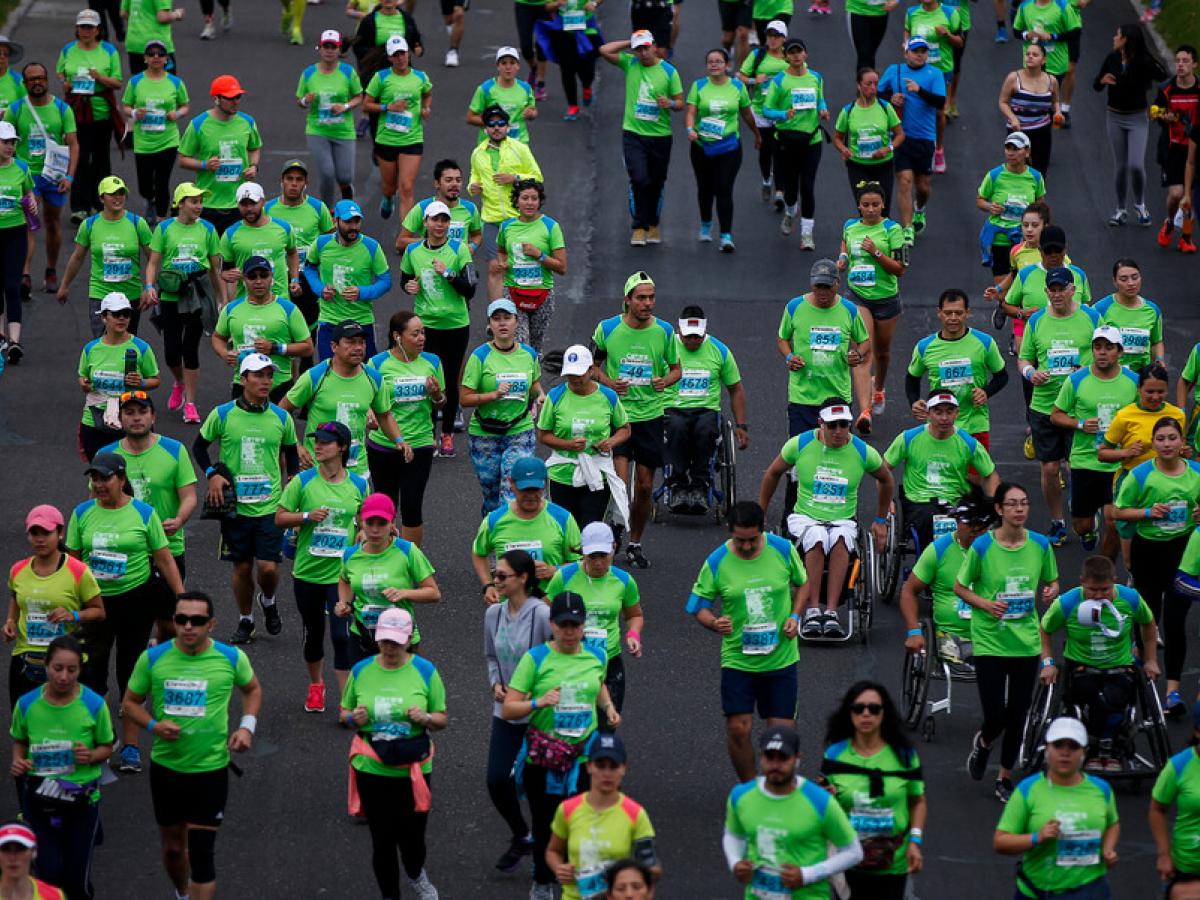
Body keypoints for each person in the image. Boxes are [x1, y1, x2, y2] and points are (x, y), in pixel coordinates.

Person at [122, 591, 261, 900]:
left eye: (197, 620)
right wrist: (153, 726)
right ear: (174, 621)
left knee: (201, 855)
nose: (188, 626)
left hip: (210, 769)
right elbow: (130, 703)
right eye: (182, 619)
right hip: (167, 769)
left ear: (211, 624)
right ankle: (183, 893)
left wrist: (246, 728)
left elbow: (252, 689)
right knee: (173, 850)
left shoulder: (231, 657)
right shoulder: (153, 658)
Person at [66, 450, 183, 773]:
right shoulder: (82, 513)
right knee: (92, 675)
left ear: (121, 479)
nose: (99, 485)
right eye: (94, 479)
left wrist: (182, 598)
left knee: (131, 673)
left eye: (105, 478)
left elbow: (164, 559)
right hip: (95, 606)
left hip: (135, 601)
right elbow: (72, 562)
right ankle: (103, 737)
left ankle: (131, 746)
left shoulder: (144, 513)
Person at [501, 591, 620, 900]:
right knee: (547, 827)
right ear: (552, 625)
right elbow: (509, 708)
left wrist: (608, 707)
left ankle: (582, 885)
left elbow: (599, 685)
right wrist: (538, 702)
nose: (569, 632)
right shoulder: (535, 659)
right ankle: (542, 884)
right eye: (562, 625)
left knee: (585, 824)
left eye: (575, 625)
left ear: (583, 626)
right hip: (544, 760)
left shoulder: (597, 655)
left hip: (584, 758)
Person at [687, 501, 806, 780]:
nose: (747, 546)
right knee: (738, 729)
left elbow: (803, 583)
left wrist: (795, 616)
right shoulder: (717, 560)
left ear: (762, 531)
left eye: (752, 539)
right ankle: (751, 788)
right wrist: (713, 622)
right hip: (738, 661)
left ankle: (778, 787)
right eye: (740, 540)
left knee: (781, 735)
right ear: (730, 532)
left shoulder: (782, 549)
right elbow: (698, 606)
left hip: (780, 659)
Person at [957, 481, 1060, 803]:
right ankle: (984, 742)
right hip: (990, 640)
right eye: (1013, 504)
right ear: (999, 509)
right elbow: (960, 587)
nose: (1019, 509)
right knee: (996, 716)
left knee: (1018, 714)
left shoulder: (1040, 545)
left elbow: (1052, 579)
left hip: (1025, 641)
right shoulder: (983, 547)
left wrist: (1051, 590)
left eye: (1024, 503)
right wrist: (986, 604)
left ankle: (1004, 776)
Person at [759, 400, 891, 638]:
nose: (839, 431)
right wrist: (761, 513)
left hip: (843, 518)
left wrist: (881, 520)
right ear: (821, 423)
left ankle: (830, 612)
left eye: (844, 425)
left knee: (840, 537)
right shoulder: (800, 444)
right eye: (832, 425)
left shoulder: (862, 451)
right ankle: (812, 610)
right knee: (817, 535)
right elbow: (772, 473)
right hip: (805, 518)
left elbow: (886, 479)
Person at [193, 353, 299, 644]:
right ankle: (246, 619)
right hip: (235, 509)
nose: (266, 381)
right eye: (258, 375)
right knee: (241, 567)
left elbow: (291, 451)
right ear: (243, 379)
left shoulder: (281, 417)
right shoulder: (223, 414)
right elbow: (199, 448)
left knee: (268, 567)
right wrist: (212, 474)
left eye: (269, 376)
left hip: (270, 506)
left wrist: (293, 479)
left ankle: (268, 600)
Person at [340, 607, 443, 900]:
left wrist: (426, 718)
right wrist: (352, 718)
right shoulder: (361, 670)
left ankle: (416, 872)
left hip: (413, 768)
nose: (390, 647)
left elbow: (442, 718)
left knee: (413, 840)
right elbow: (344, 712)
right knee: (382, 840)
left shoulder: (425, 671)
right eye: (385, 640)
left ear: (409, 639)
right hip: (372, 765)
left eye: (396, 641)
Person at [9, 635, 112, 900]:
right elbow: (19, 740)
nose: (64, 677)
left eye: (71, 670)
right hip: (39, 799)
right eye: (57, 668)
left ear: (79, 670)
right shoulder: (27, 704)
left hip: (81, 801)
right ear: (46, 665)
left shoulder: (94, 704)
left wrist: (91, 755)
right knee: (49, 874)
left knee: (76, 882)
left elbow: (106, 747)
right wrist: (18, 760)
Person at [277, 420, 367, 713]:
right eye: (316, 441)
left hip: (341, 576)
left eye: (326, 442)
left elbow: (365, 519)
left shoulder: (359, 484)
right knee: (313, 635)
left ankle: (345, 701)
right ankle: (316, 684)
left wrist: (364, 534)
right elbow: (279, 517)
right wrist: (306, 516)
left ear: (342, 447)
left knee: (341, 636)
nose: (317, 446)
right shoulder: (302, 482)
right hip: (307, 572)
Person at [593, 272, 681, 567]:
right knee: (619, 482)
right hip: (618, 417)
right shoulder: (607, 329)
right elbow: (592, 367)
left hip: (650, 416)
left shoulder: (664, 331)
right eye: (641, 298)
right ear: (627, 300)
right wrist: (609, 383)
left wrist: (664, 381)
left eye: (651, 298)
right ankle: (615, 528)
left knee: (644, 486)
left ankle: (635, 542)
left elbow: (677, 370)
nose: (647, 303)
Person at [1113, 416, 1200, 716]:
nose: (1166, 444)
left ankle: (1172, 691)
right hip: (1148, 552)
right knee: (1148, 617)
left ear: (1182, 442)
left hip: (1183, 554)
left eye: (1172, 438)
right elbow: (1118, 512)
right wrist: (1148, 512)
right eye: (1160, 439)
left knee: (1175, 622)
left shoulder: (1196, 472)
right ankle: (1142, 665)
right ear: (1153, 442)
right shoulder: (1140, 475)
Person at [1040, 555, 1159, 766]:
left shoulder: (1130, 598)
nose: (1098, 595)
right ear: (1082, 582)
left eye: (1105, 589)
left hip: (1119, 667)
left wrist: (1151, 660)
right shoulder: (1067, 603)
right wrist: (1048, 664)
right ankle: (1096, 744)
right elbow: (1044, 630)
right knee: (1091, 695)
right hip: (1081, 667)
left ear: (1114, 580)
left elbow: (1149, 624)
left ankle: (1108, 743)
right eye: (1092, 590)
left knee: (1115, 696)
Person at [100, 391, 197, 639]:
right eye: (129, 413)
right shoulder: (106, 456)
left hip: (167, 548)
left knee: (169, 624)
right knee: (127, 625)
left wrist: (179, 519)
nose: (136, 418)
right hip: (125, 549)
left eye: (142, 412)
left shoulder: (174, 450)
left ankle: (158, 655)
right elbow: (96, 503)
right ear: (120, 418)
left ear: (153, 417)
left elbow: (189, 496)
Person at [724, 725, 863, 897]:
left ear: (797, 758)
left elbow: (853, 852)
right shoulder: (740, 796)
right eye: (770, 757)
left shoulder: (820, 801)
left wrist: (806, 875)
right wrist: (735, 862)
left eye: (783, 757)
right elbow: (733, 835)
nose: (775, 764)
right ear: (761, 757)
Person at [1018, 266, 1103, 545]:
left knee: (1077, 467)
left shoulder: (1091, 317)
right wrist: (1031, 373)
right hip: (1044, 405)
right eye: (1051, 290)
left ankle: (1085, 516)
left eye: (1061, 290)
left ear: (1072, 290)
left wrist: (1089, 370)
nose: (1056, 295)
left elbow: (1107, 353)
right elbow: (1024, 358)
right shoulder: (1036, 321)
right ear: (1046, 292)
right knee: (1050, 468)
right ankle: (1058, 522)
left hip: (1079, 406)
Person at [821, 682, 925, 900]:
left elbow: (917, 801)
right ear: (849, 713)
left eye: (874, 709)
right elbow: (827, 807)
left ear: (884, 713)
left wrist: (915, 842)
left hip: (892, 864)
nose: (866, 714)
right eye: (859, 708)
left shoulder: (905, 757)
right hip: (848, 861)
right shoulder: (834, 756)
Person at [994, 717, 1119, 896]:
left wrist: (1108, 848)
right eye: (1058, 745)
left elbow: (1113, 823)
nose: (1065, 753)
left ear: (1084, 752)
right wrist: (1037, 837)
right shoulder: (1028, 790)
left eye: (1073, 746)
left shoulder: (1101, 789)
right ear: (1046, 749)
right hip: (1039, 891)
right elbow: (1000, 842)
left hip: (1090, 889)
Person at [483, 548, 550, 871]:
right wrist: (495, 682)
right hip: (506, 710)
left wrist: (538, 692)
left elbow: (555, 657)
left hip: (539, 714)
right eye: (494, 575)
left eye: (501, 576)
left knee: (540, 790)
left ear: (523, 578)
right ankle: (521, 834)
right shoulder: (493, 614)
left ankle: (546, 855)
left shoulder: (542, 615)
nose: (495, 581)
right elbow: (490, 656)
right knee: (496, 779)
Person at [1049, 327, 1139, 556]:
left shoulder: (1133, 381)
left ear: (1120, 351)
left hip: (1119, 463)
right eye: (1097, 347)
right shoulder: (1076, 380)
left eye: (1108, 347)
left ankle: (1105, 569)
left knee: (1113, 520)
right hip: (1085, 461)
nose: (1102, 352)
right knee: (1082, 525)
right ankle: (1088, 530)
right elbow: (1056, 415)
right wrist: (1079, 424)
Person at [6, 506, 104, 708]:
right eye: (34, 533)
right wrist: (10, 621)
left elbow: (99, 611)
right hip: (26, 657)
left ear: (60, 533)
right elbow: (15, 597)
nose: (40, 539)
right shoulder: (18, 570)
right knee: (24, 720)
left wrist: (73, 615)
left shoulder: (78, 571)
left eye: (46, 533)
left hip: (66, 659)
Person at [282, 319, 402, 480]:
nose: (358, 347)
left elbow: (384, 416)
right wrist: (296, 446)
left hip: (357, 471)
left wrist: (399, 440)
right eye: (351, 342)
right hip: (317, 471)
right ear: (334, 347)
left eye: (361, 342)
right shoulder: (315, 376)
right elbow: (282, 412)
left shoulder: (374, 378)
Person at [398, 202, 473, 459]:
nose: (440, 225)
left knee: (450, 380)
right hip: (425, 326)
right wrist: (408, 287)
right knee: (427, 379)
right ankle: (429, 433)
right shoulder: (413, 251)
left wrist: (449, 274)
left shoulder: (459, 249)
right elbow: (405, 279)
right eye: (435, 220)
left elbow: (470, 288)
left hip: (455, 324)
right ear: (426, 222)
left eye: (444, 220)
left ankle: (447, 433)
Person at [546, 522, 644, 717]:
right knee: (573, 723)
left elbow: (634, 615)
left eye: (603, 555)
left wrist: (633, 635)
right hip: (570, 660)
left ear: (613, 548)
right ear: (583, 552)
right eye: (592, 556)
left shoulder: (624, 580)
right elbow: (545, 614)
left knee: (608, 722)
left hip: (609, 660)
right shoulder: (563, 577)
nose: (598, 563)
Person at [547, 732, 660, 899]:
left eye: (613, 766)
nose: (607, 773)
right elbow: (553, 851)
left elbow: (650, 867)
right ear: (589, 766)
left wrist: (634, 882)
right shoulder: (568, 809)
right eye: (600, 766)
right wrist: (559, 868)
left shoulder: (635, 814)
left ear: (623, 768)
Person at [366, 310, 445, 543]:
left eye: (423, 333)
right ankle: (384, 556)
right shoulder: (377, 363)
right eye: (415, 334)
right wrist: (369, 414)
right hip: (384, 445)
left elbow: (442, 402)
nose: (422, 338)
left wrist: (436, 394)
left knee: (412, 505)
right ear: (397, 336)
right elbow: (368, 400)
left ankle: (411, 560)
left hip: (420, 443)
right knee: (385, 506)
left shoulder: (432, 361)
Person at [145, 182, 222, 423]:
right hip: (171, 295)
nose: (199, 206)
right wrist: (149, 287)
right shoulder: (165, 228)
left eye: (200, 201)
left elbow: (215, 269)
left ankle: (190, 403)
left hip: (197, 295)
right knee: (171, 352)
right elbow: (153, 263)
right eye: (194, 201)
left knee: (190, 349)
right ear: (180, 204)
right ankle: (179, 382)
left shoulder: (208, 229)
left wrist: (222, 301)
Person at [598, 32, 683, 247]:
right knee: (639, 178)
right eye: (638, 49)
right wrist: (630, 41)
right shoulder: (630, 63)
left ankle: (653, 224)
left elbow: (680, 103)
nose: (643, 53)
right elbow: (604, 50)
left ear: (654, 46)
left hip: (660, 135)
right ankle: (638, 226)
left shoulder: (669, 71)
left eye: (646, 47)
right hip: (633, 134)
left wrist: (670, 104)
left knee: (656, 182)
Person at [461, 298, 544, 515]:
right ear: (490, 325)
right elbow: (465, 399)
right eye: (496, 319)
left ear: (517, 322)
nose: (502, 323)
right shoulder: (480, 356)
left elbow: (534, 384)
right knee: (491, 498)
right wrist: (493, 395)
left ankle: (508, 536)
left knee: (510, 494)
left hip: (520, 430)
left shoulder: (529, 354)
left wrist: (541, 395)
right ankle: (491, 531)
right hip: (485, 433)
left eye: (507, 318)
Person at [335, 492, 439, 661]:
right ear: (361, 522)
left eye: (382, 523)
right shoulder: (350, 555)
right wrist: (345, 602)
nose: (375, 530)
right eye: (370, 523)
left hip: (400, 638)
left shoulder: (407, 551)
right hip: (363, 635)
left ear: (392, 523)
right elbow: (344, 579)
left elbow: (433, 593)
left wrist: (404, 593)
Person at [5, 61, 77, 302]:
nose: (37, 82)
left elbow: (73, 143)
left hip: (54, 175)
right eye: (32, 79)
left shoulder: (62, 109)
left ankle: (51, 270)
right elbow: (4, 140)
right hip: (28, 176)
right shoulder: (16, 109)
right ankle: (25, 275)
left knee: (53, 223)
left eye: (40, 78)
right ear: (25, 83)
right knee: (29, 223)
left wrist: (70, 176)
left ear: (47, 80)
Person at [663, 307, 747, 512]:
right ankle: (678, 485)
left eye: (697, 337)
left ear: (705, 331)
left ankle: (700, 485)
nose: (692, 341)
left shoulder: (720, 350)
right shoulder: (665, 348)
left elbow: (735, 389)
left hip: (706, 410)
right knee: (676, 428)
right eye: (688, 337)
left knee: (706, 430)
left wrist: (741, 425)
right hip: (673, 409)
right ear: (679, 331)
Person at [537, 343, 630, 528]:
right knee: (565, 532)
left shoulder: (608, 396)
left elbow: (625, 429)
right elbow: (543, 435)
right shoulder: (555, 396)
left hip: (597, 474)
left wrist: (610, 442)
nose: (575, 379)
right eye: (571, 374)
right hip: (562, 474)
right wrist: (567, 445)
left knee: (592, 532)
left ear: (591, 371)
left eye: (579, 374)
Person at [899, 486, 996, 665]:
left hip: (993, 633)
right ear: (957, 521)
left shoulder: (999, 549)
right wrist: (914, 631)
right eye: (970, 526)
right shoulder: (938, 550)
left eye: (981, 527)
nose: (975, 532)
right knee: (964, 664)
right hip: (951, 636)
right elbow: (909, 590)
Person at [776, 258, 871, 439]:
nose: (822, 292)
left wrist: (858, 354)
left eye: (827, 287)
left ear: (838, 283)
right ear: (811, 283)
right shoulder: (794, 307)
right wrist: (789, 357)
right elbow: (782, 338)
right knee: (801, 451)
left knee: (838, 450)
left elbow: (864, 341)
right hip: (803, 397)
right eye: (818, 286)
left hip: (837, 395)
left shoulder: (849, 310)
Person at [838, 181, 906, 434]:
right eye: (865, 205)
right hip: (858, 296)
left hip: (886, 298)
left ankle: (879, 388)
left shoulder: (893, 229)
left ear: (883, 205)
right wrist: (843, 258)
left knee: (882, 352)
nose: (870, 209)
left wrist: (876, 252)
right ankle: (864, 412)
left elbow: (899, 269)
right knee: (863, 352)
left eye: (875, 204)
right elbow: (845, 242)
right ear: (859, 205)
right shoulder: (850, 226)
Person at [1100, 363, 1185, 562]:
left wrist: (1183, 451)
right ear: (1139, 389)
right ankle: (1128, 568)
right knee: (1123, 526)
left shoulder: (1177, 415)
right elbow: (1102, 453)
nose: (1155, 397)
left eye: (1160, 392)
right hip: (1133, 480)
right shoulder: (1125, 416)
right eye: (1149, 392)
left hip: (1167, 480)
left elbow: (1180, 448)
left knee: (1165, 526)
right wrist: (1126, 452)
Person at [906, 289, 1008, 449]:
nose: (953, 318)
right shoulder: (925, 347)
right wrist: (914, 401)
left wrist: (986, 392)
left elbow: (1002, 376)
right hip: (938, 427)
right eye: (948, 313)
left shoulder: (984, 342)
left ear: (968, 313)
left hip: (975, 425)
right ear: (939, 313)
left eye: (958, 313)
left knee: (978, 467)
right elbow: (912, 377)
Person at [472, 456, 582, 603]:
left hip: (551, 607)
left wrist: (555, 570)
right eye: (524, 489)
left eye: (535, 489)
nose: (530, 496)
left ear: (544, 485)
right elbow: (478, 553)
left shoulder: (563, 518)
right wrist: (488, 585)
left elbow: (580, 564)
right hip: (509, 608)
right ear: (511, 484)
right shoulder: (494, 520)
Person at [57, 175, 154, 339]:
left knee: (126, 345)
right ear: (102, 198)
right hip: (100, 295)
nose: (118, 198)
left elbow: (154, 258)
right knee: (103, 343)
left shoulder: (137, 223)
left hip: (130, 295)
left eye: (121, 193)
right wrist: (64, 285)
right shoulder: (89, 225)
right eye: (112, 194)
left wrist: (149, 287)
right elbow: (77, 257)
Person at [211, 254, 312, 403]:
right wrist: (225, 353)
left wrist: (275, 348)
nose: (258, 281)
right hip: (243, 384)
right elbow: (218, 337)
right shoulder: (231, 309)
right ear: (244, 280)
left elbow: (308, 348)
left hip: (279, 385)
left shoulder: (288, 309)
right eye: (252, 277)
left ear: (271, 277)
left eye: (264, 275)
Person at [1094, 23, 1167, 227]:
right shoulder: (1112, 58)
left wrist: (1160, 105)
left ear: (1126, 39)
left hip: (1137, 118)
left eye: (1117, 35)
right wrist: (1102, 80)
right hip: (1114, 117)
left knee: (1136, 164)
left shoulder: (1143, 61)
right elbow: (1096, 85)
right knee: (1121, 165)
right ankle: (1120, 210)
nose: (1114, 38)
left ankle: (1140, 204)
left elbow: (1165, 80)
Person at [685, 48, 757, 251]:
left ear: (727, 65)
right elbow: (691, 112)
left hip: (729, 147)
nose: (714, 64)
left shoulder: (737, 86)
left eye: (718, 61)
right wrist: (690, 129)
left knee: (724, 188)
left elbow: (747, 113)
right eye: (710, 61)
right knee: (705, 188)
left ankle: (726, 236)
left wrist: (757, 135)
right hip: (702, 146)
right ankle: (706, 223)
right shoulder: (698, 86)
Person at [304, 199, 393, 362]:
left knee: (365, 371)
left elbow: (386, 281)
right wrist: (320, 289)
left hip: (361, 321)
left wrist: (362, 292)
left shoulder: (371, 247)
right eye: (348, 222)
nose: (353, 227)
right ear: (336, 221)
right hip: (330, 321)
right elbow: (309, 268)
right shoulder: (321, 244)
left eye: (357, 221)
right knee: (329, 371)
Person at [76, 293, 160, 461]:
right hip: (94, 418)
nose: (122, 318)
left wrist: (141, 383)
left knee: (134, 470)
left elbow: (155, 380)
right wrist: (84, 384)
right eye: (116, 314)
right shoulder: (91, 349)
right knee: (99, 470)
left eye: (126, 314)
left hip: (130, 418)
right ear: (104, 317)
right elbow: (82, 376)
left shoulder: (141, 347)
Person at [760, 37, 826, 250]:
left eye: (799, 51)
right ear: (786, 57)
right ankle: (790, 212)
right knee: (790, 188)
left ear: (805, 54)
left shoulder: (816, 77)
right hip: (785, 142)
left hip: (811, 140)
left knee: (807, 186)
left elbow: (820, 99)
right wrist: (783, 114)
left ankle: (807, 233)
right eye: (792, 52)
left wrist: (823, 109)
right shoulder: (779, 81)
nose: (796, 56)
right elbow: (767, 110)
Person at [56, 9, 122, 223]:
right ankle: (79, 207)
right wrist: (65, 83)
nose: (85, 31)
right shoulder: (68, 49)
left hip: (101, 112)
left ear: (98, 30)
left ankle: (100, 203)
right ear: (77, 28)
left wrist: (99, 77)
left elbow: (117, 82)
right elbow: (60, 72)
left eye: (90, 27)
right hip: (76, 112)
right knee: (80, 158)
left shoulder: (109, 50)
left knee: (101, 160)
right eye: (82, 27)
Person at [880, 37, 945, 249]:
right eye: (915, 51)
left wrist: (920, 91)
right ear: (906, 53)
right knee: (905, 181)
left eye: (923, 51)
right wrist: (891, 98)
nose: (920, 54)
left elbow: (940, 102)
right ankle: (907, 228)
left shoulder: (934, 74)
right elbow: (877, 93)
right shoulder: (894, 70)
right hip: (901, 136)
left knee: (923, 186)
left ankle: (920, 209)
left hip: (925, 138)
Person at [176, 74, 262, 235]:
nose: (235, 102)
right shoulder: (199, 124)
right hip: (208, 204)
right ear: (216, 99)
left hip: (239, 203)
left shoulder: (247, 122)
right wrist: (205, 165)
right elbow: (182, 159)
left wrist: (253, 166)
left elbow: (254, 147)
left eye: (238, 97)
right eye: (230, 98)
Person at [264, 159, 335, 341]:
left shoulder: (318, 208)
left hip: (309, 277)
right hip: (278, 278)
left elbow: (331, 243)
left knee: (308, 329)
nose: (294, 184)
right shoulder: (268, 209)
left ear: (306, 183)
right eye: (289, 178)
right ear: (281, 181)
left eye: (299, 179)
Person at [363, 36, 431, 223]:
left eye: (402, 53)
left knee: (407, 187)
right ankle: (387, 198)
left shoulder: (420, 77)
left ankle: (406, 233)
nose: (400, 58)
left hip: (412, 139)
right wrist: (388, 107)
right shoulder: (381, 77)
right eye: (395, 55)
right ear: (389, 58)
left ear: (408, 54)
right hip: (386, 140)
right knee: (389, 187)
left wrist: (426, 108)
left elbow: (427, 94)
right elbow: (366, 105)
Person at [467, 105, 543, 269]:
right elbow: (475, 175)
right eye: (491, 124)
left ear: (507, 127)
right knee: (495, 267)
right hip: (491, 219)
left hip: (517, 217)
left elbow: (537, 177)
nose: (496, 128)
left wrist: (515, 178)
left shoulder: (520, 149)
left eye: (501, 123)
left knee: (518, 265)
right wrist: (472, 187)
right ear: (485, 129)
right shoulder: (478, 153)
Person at [122, 41, 188, 226]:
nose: (156, 57)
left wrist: (177, 114)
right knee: (144, 183)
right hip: (143, 141)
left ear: (166, 59)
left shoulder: (175, 82)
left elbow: (185, 106)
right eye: (151, 53)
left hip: (168, 140)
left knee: (162, 180)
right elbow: (126, 106)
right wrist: (135, 113)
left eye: (160, 54)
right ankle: (149, 199)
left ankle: (160, 217)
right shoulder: (136, 82)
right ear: (145, 58)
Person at [496, 178, 566, 352]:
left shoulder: (550, 226)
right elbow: (502, 250)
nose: (529, 203)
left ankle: (535, 370)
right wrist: (503, 263)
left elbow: (562, 267)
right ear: (516, 200)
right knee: (521, 345)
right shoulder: (507, 226)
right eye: (525, 198)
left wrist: (539, 255)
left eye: (534, 198)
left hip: (542, 294)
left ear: (540, 201)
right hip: (513, 292)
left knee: (535, 347)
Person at [296, 30, 363, 209]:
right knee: (327, 173)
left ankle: (346, 190)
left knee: (345, 176)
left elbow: (359, 96)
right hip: (318, 130)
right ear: (319, 48)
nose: (329, 51)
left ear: (339, 50)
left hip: (343, 131)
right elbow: (299, 101)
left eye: (333, 47)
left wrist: (345, 106)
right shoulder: (309, 73)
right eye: (326, 46)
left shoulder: (347, 72)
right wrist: (305, 100)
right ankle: (328, 211)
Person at [976, 131, 1046, 283]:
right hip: (1000, 239)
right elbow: (980, 200)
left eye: (1016, 149)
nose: (1011, 153)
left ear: (1027, 152)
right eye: (1008, 148)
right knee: (1001, 283)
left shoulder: (1035, 177)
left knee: (1024, 280)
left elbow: (1041, 205)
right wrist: (990, 206)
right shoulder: (994, 175)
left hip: (1025, 238)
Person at [903, 0, 962, 176]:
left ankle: (938, 150)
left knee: (939, 112)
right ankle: (914, 146)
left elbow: (959, 42)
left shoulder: (950, 13)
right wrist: (906, 43)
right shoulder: (912, 12)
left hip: (941, 69)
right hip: (916, 68)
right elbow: (907, 31)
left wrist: (947, 35)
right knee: (916, 106)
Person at [218, 182, 300, 307]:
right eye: (244, 204)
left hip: (279, 301)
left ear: (262, 201)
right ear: (237, 205)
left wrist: (294, 279)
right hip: (247, 304)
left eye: (253, 203)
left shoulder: (283, 228)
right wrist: (226, 275)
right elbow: (223, 270)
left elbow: (292, 253)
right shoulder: (230, 234)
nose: (249, 209)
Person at [833, 70, 904, 216]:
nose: (873, 88)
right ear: (859, 85)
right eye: (868, 84)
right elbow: (838, 138)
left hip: (883, 165)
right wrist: (843, 149)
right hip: (858, 166)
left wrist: (888, 148)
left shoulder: (885, 107)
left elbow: (900, 135)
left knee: (882, 211)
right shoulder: (848, 110)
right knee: (865, 211)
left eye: (876, 84)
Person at [1150, 700, 1200, 897]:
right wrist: (1164, 854)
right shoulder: (1179, 765)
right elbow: (1157, 809)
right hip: (1187, 867)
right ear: (1197, 732)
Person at [1153, 45, 1200, 253]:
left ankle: (1186, 237)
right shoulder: (1166, 88)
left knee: (1190, 196)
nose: (1180, 65)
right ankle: (1170, 221)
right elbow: (1154, 111)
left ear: (1194, 64)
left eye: (1185, 61)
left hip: (1195, 149)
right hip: (1172, 148)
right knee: (1176, 194)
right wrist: (1164, 117)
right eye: (1178, 61)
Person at [737, 20, 788, 208]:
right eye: (770, 36)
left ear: (784, 38)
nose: (772, 40)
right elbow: (740, 76)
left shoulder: (790, 56)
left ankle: (780, 191)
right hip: (760, 111)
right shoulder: (757, 55)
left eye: (777, 36)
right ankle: (767, 179)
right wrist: (753, 80)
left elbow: (803, 74)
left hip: (782, 112)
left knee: (780, 151)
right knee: (765, 150)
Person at [0, 120, 35, 365]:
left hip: (15, 232)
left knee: (12, 286)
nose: (10, 147)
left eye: (13, 142)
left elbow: (28, 193)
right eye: (5, 142)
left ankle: (14, 342)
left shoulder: (22, 167)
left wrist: (31, 203)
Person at [1092, 258, 1164, 374]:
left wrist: (1159, 359)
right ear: (1115, 282)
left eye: (1135, 277)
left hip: (1142, 374)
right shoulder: (1100, 309)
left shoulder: (1152, 310)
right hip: (1111, 373)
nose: (1131, 283)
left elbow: (1156, 342)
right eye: (1124, 279)